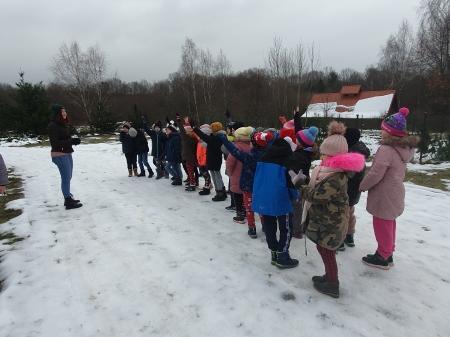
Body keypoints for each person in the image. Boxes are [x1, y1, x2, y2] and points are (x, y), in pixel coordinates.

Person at [292, 121, 365, 298]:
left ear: (333, 155)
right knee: (323, 250)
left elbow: (317, 196)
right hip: (326, 220)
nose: (322, 157)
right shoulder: (330, 171)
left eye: (325, 154)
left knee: (327, 252)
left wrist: (300, 184)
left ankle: (333, 284)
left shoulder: (336, 177)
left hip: (331, 223)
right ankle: (328, 276)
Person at [360, 107, 419, 269]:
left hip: (383, 194)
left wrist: (362, 186)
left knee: (381, 225)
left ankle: (383, 257)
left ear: (389, 132)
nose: (381, 132)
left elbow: (375, 174)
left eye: (383, 130)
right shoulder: (404, 148)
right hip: (395, 192)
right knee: (389, 223)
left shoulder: (386, 150)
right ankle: (387, 251)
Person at [252, 137, 300, 268]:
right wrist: (296, 195)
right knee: (286, 227)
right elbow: (291, 183)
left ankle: (274, 253)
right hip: (280, 198)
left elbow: (257, 178)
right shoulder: (287, 161)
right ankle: (282, 256)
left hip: (263, 197)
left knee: (269, 226)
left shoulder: (262, 158)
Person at [219, 131, 273, 239]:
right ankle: (265, 227)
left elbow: (234, 151)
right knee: (262, 208)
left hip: (248, 186)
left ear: (255, 144)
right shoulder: (269, 156)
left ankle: (252, 228)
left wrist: (224, 139)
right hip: (261, 188)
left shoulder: (249, 157)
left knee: (249, 208)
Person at [338, 127, 370, 250]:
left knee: (343, 214)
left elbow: (348, 174)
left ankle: (340, 239)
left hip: (347, 188)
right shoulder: (360, 150)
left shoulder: (351, 154)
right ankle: (349, 236)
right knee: (350, 212)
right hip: (355, 189)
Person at [286, 126, 319, 238]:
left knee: (296, 207)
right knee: (300, 205)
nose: (295, 139)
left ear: (302, 142)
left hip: (297, 184)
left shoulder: (298, 156)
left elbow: (291, 169)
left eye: (297, 138)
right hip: (303, 181)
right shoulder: (305, 152)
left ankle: (297, 230)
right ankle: (302, 227)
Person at [48, 104, 82, 210]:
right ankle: (68, 201)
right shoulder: (52, 126)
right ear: (57, 114)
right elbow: (56, 143)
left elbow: (68, 137)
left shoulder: (64, 124)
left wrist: (75, 139)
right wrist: (71, 141)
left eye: (65, 111)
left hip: (67, 153)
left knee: (69, 176)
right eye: (62, 112)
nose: (64, 113)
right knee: (66, 178)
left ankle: (68, 196)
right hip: (59, 155)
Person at [193, 122, 228, 201]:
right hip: (214, 159)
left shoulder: (216, 137)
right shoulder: (218, 137)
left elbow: (203, 136)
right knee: (216, 176)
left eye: (212, 128)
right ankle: (222, 191)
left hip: (214, 159)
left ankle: (220, 193)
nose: (210, 129)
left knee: (216, 177)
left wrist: (195, 128)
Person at [225, 127, 253, 223]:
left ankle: (240, 214)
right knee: (246, 194)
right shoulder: (251, 146)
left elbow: (230, 162)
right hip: (248, 175)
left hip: (237, 175)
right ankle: (246, 211)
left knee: (237, 195)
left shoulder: (236, 147)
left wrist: (230, 172)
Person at [178, 116, 199, 192]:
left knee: (191, 171)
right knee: (194, 171)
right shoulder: (193, 138)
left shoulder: (186, 138)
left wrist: (179, 122)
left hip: (189, 157)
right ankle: (195, 183)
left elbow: (182, 130)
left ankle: (193, 184)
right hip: (192, 156)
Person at [195, 124, 213, 195]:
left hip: (204, 161)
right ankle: (209, 184)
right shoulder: (200, 141)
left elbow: (206, 153)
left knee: (205, 174)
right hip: (200, 160)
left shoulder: (205, 142)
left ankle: (207, 187)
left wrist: (203, 161)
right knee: (203, 173)